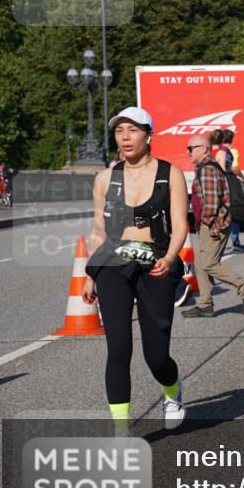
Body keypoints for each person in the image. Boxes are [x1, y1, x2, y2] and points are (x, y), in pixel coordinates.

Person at [82, 107, 189, 433]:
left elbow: (181, 226)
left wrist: (170, 258)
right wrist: (90, 273)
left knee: (155, 356)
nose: (125, 137)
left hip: (156, 262)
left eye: (133, 130)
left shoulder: (170, 174)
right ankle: (121, 432)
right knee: (118, 348)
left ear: (148, 135)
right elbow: (99, 228)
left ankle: (172, 390)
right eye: (119, 131)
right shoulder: (105, 179)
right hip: (114, 262)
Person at [182, 133, 244, 318]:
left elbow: (211, 203)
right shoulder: (205, 168)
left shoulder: (207, 170)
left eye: (191, 148)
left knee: (208, 263)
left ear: (204, 149)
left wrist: (210, 225)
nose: (188, 153)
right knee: (200, 264)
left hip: (212, 224)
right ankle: (205, 304)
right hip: (210, 223)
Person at [211, 129, 244, 250]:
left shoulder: (210, 150)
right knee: (232, 212)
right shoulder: (231, 151)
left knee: (217, 212)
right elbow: (233, 168)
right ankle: (235, 241)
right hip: (228, 183)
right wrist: (241, 176)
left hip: (211, 185)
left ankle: (216, 241)